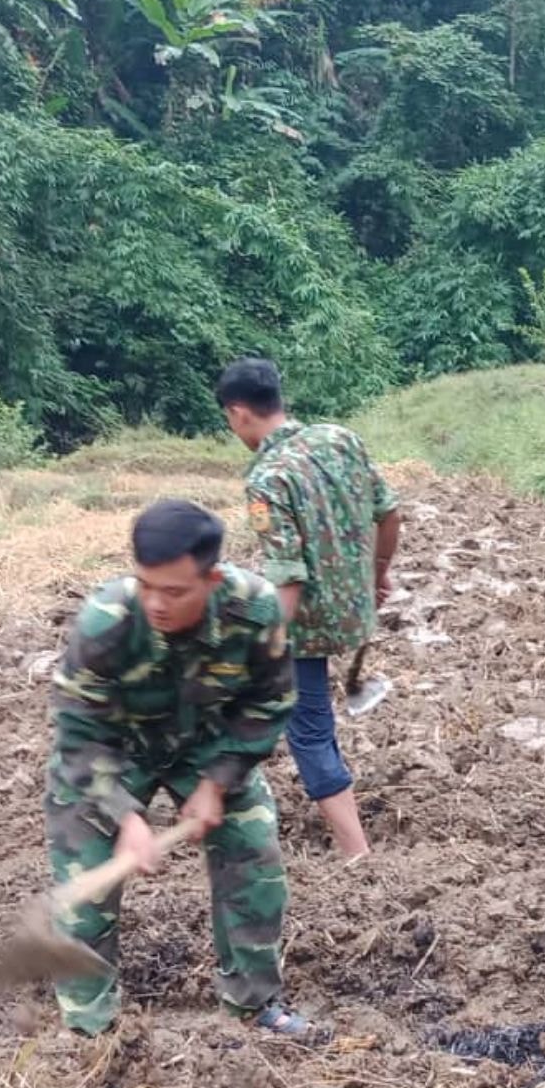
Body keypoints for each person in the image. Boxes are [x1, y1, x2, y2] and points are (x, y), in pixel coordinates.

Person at [44, 495, 315, 1042]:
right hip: (111, 754)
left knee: (254, 855)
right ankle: (89, 1030)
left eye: (174, 591)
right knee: (85, 893)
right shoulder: (107, 622)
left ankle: (253, 1005)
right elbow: (78, 732)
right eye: (146, 585)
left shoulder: (255, 609)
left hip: (206, 745)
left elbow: (269, 702)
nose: (156, 604)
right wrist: (126, 817)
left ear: (212, 580)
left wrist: (219, 782)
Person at [225, 354, 400, 865]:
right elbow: (388, 512)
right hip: (357, 609)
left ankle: (355, 851)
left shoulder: (266, 480)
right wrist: (378, 574)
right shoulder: (339, 437)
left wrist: (263, 645)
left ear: (238, 414)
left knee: (307, 730)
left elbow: (290, 578)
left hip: (308, 623)